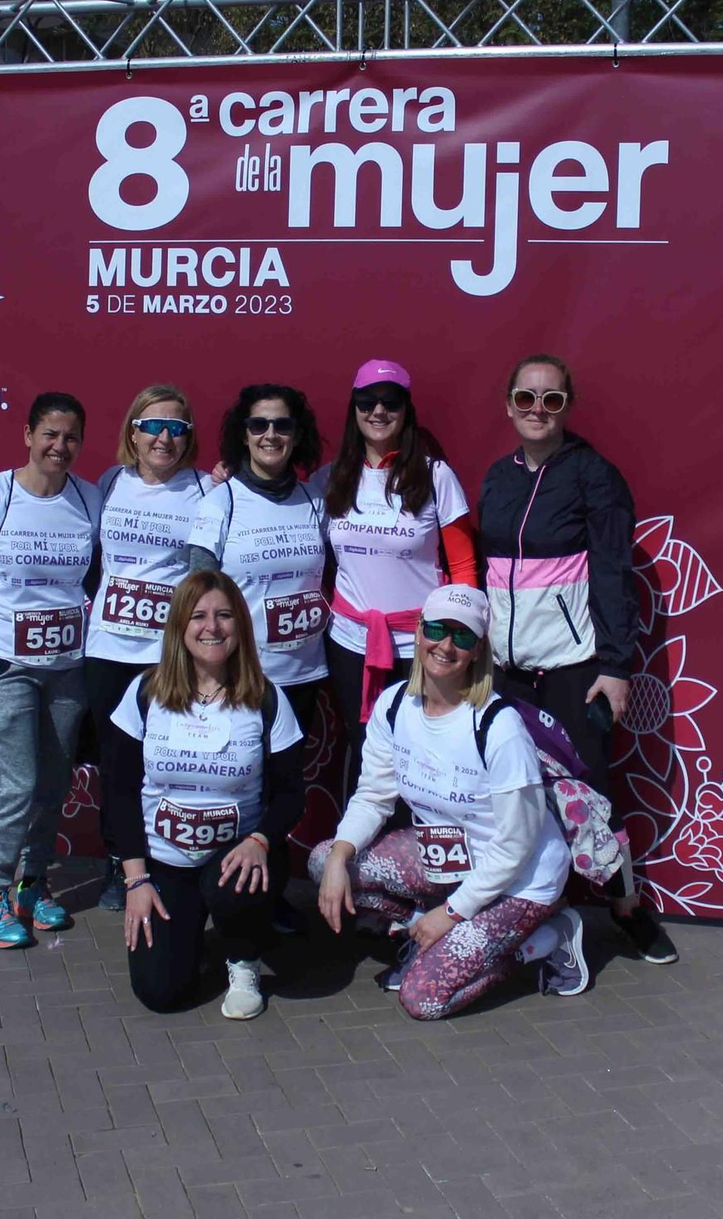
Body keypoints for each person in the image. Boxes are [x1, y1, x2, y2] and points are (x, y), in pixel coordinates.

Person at [478, 353, 678, 965]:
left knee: (590, 796)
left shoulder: (594, 475)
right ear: (508, 404)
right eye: (526, 398)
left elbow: (615, 576)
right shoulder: (496, 476)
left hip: (573, 669)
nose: (538, 410)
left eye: (552, 400)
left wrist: (615, 666)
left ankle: (627, 909)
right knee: (510, 797)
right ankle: (523, 910)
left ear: (568, 406)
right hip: (507, 673)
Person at [311, 585, 586, 1019]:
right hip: (450, 864)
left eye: (462, 636)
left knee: (424, 999)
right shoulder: (393, 705)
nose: (445, 645)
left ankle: (547, 938)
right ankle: (432, 933)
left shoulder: (499, 727)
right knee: (327, 859)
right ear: (419, 632)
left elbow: (515, 848)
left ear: (478, 650)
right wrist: (337, 858)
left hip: (520, 880)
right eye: (437, 629)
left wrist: (452, 914)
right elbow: (373, 796)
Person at [99, 571, 305, 1018]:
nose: (212, 627)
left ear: (241, 626)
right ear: (179, 627)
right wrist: (136, 880)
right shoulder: (144, 693)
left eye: (224, 615)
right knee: (161, 995)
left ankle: (243, 958)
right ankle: (189, 931)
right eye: (199, 616)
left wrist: (261, 840)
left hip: (235, 860)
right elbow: (118, 792)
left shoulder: (266, 699)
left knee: (234, 886)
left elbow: (292, 794)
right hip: (164, 863)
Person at [0, 392, 99, 949]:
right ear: (28, 435)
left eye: (71, 438)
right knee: (19, 785)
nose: (60, 447)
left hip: (66, 668)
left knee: (54, 785)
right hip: (6, 667)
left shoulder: (89, 499)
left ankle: (33, 888)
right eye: (50, 435)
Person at [188, 384, 328, 930]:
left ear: (298, 435)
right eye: (259, 425)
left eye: (283, 425)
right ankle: (217, 897)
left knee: (281, 791)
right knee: (236, 785)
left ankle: (265, 899)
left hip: (303, 670)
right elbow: (198, 594)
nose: (271, 435)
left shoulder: (315, 498)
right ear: (242, 433)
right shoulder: (220, 500)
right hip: (243, 676)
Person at [83, 384, 211, 913]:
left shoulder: (207, 488)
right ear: (131, 432)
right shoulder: (109, 483)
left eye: (176, 428)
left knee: (164, 760)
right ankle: (121, 862)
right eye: (152, 426)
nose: (164, 437)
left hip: (167, 655)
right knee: (115, 763)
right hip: (109, 648)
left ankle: (169, 862)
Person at [319, 359, 477, 770]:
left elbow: (462, 565)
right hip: (350, 641)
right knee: (364, 748)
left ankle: (415, 836)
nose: (377, 411)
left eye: (390, 401)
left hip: (422, 644)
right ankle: (365, 836)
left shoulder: (435, 475)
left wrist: (459, 636)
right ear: (353, 411)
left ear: (407, 410)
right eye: (366, 401)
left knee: (419, 751)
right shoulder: (332, 478)